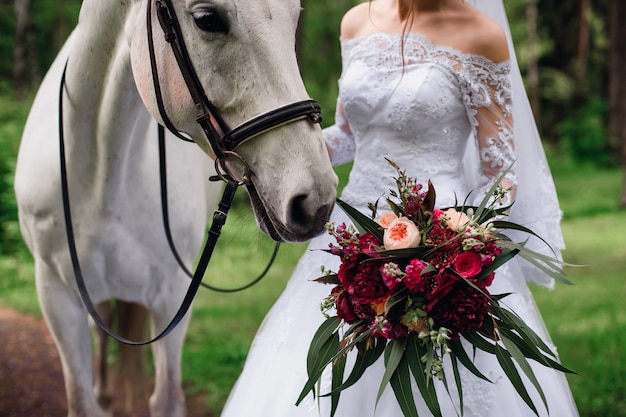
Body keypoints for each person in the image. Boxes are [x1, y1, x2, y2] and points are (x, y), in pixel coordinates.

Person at [220, 0, 579, 416]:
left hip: (443, 241)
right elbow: (352, 136)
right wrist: (274, 157)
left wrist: (452, 244)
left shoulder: (481, 35)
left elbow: (501, 175)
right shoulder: (354, 22)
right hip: (353, 234)